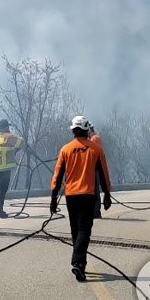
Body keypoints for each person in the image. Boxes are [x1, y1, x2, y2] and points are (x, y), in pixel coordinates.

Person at [50, 115, 112, 282]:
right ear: (86, 130)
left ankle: (81, 264)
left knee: (75, 230)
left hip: (71, 196)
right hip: (87, 195)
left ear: (72, 131)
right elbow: (103, 173)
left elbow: (58, 174)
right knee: (84, 230)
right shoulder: (95, 149)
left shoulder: (65, 149)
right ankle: (78, 262)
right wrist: (107, 194)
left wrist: (53, 197)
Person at [0, 119, 23, 218]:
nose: (9, 128)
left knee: (1, 189)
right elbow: (22, 142)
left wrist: (13, 150)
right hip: (4, 168)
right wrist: (15, 150)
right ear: (5, 127)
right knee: (2, 189)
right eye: (7, 127)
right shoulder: (8, 137)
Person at [88, 125, 104, 219]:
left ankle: (96, 213)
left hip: (94, 168)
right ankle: (94, 212)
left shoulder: (95, 139)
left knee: (94, 191)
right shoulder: (94, 138)